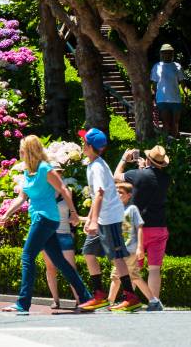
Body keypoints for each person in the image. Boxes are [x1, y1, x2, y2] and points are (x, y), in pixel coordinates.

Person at [0, 136, 91, 315]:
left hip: (46, 218)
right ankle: (86, 297)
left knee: (27, 257)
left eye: (22, 150)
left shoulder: (45, 169)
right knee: (60, 262)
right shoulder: (29, 171)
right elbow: (22, 197)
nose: (20, 153)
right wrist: (6, 214)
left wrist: (73, 213)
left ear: (30, 151)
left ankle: (23, 303)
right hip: (39, 218)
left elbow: (63, 190)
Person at [77, 128, 143, 312]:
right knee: (89, 251)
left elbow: (99, 193)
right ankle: (99, 295)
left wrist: (93, 220)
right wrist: (91, 218)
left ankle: (130, 297)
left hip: (110, 218)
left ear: (90, 146)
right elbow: (95, 195)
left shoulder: (97, 166)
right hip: (102, 218)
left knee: (117, 257)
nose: (83, 145)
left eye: (84, 142)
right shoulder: (93, 164)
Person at [115, 144, 170, 311]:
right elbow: (151, 179)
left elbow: (115, 176)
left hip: (139, 228)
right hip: (160, 227)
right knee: (154, 268)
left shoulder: (136, 175)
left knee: (133, 266)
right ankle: (153, 302)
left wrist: (124, 159)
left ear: (147, 159)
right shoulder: (166, 178)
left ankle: (130, 299)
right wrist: (145, 168)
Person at [108, 182, 153, 306]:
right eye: (116, 191)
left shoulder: (132, 209)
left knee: (117, 276)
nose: (117, 194)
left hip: (130, 249)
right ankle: (153, 301)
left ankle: (109, 302)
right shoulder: (114, 210)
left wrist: (140, 247)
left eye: (121, 192)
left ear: (129, 195)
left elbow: (139, 227)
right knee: (132, 276)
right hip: (119, 249)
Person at [42, 175, 80, 309]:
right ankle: (55, 300)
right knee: (51, 268)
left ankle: (79, 299)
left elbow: (74, 213)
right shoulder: (43, 191)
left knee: (71, 268)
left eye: (59, 171)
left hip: (64, 233)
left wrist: (73, 231)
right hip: (47, 235)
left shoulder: (67, 190)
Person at [150, 44, 187, 138]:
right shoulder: (156, 66)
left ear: (172, 54)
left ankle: (175, 145)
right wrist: (153, 99)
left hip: (176, 99)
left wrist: (186, 95)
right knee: (166, 123)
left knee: (175, 123)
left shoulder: (177, 66)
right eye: (165, 53)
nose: (167, 55)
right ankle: (166, 145)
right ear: (161, 54)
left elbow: (183, 83)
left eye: (169, 53)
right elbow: (154, 85)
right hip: (162, 99)